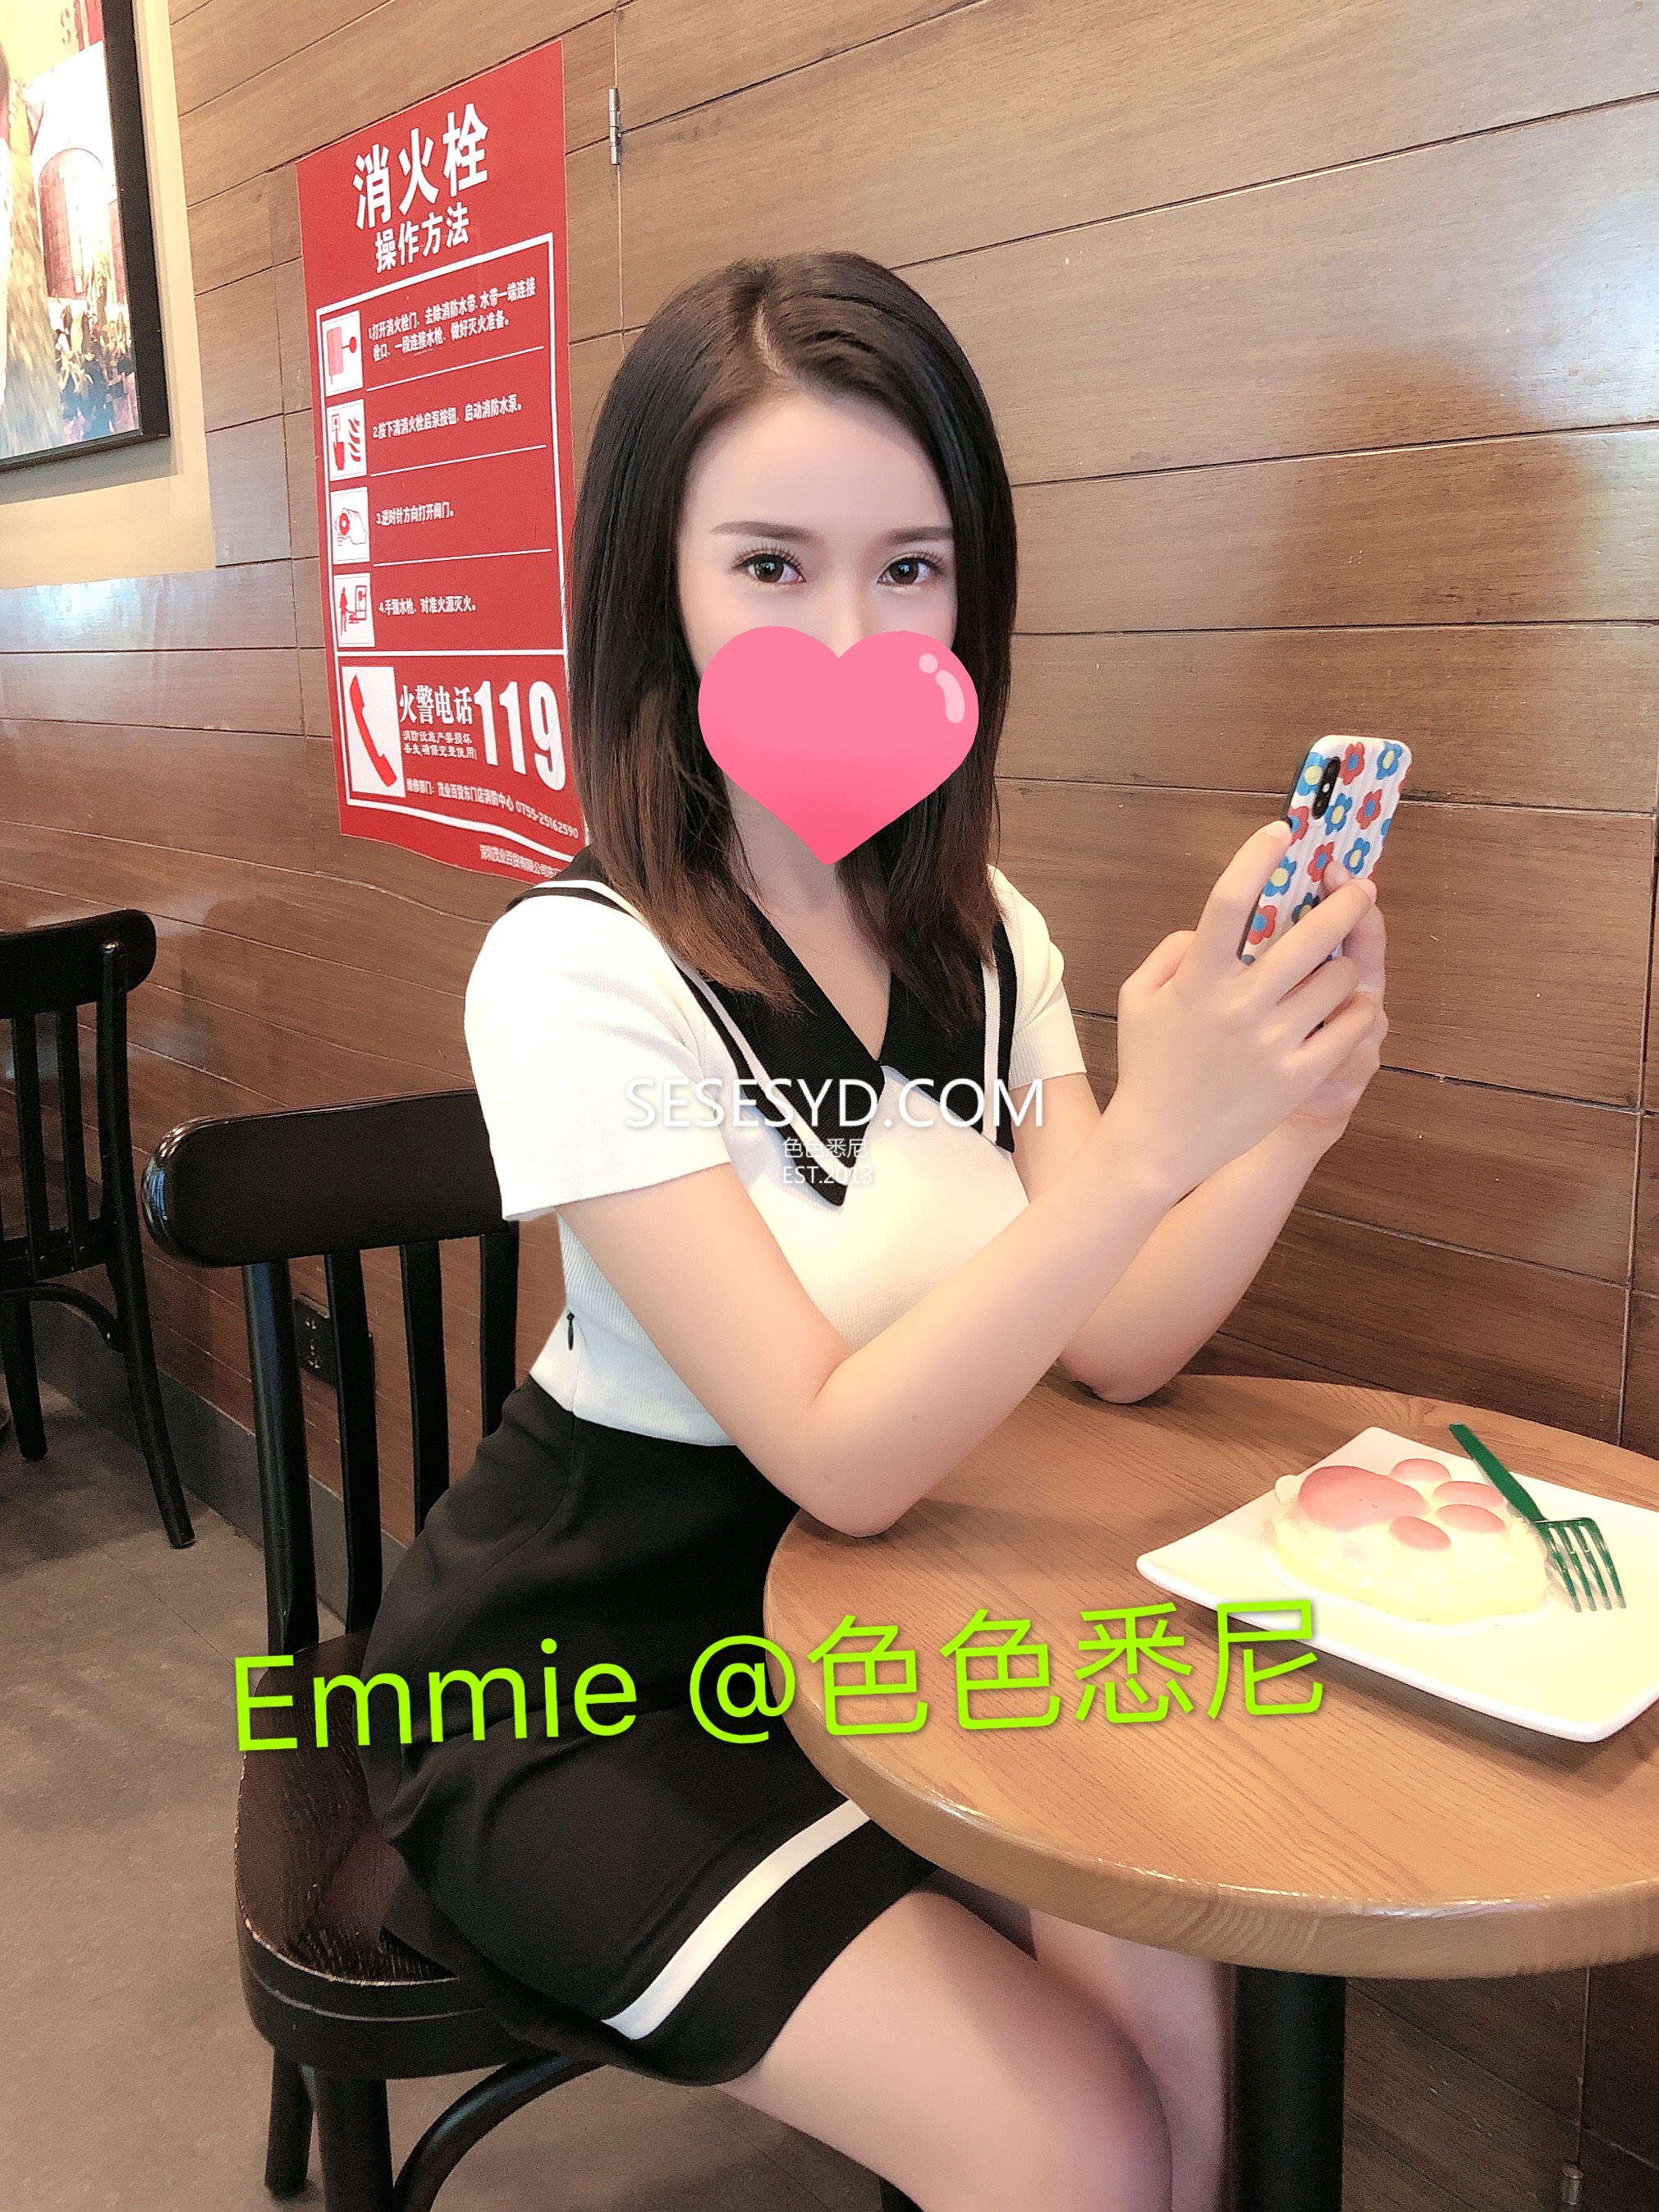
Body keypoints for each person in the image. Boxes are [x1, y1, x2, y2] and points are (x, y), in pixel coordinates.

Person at [358, 251, 1387, 2212]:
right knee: (1082, 2144)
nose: (849, 627)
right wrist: (1154, 1149)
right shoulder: (573, 972)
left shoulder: (988, 941)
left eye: (910, 568)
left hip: (919, 1614)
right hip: (599, 1672)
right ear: (656, 586)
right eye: (771, 564)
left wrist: (1279, 1122)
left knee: (1187, 2065)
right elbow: (833, 1448)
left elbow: (1117, 1338)